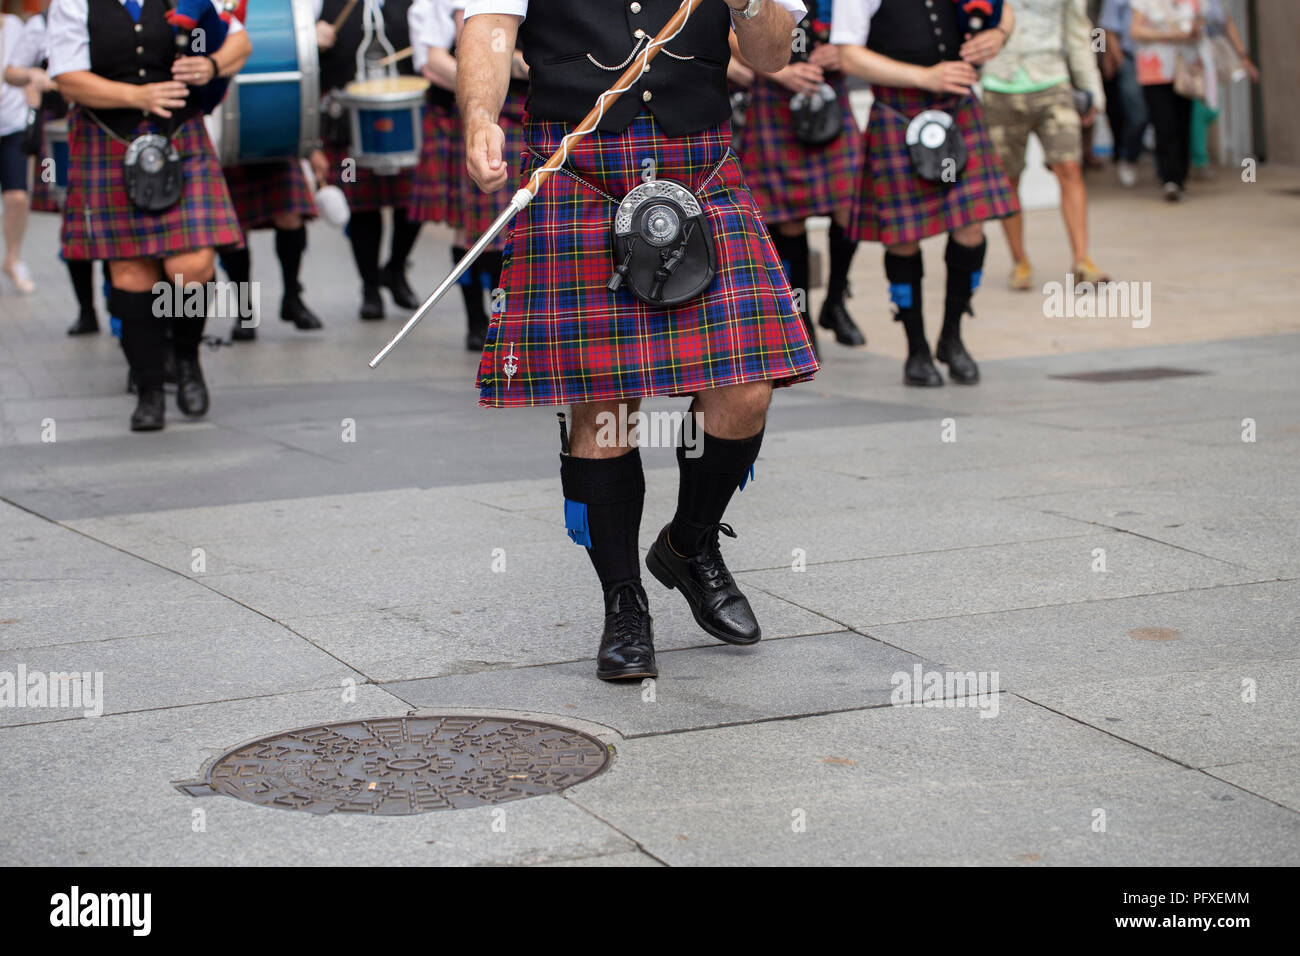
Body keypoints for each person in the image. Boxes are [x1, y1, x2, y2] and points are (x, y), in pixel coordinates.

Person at [460, 0, 819, 682]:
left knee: (744, 391)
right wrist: (481, 115)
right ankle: (623, 600)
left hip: (698, 164)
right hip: (579, 164)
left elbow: (772, 54)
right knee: (605, 406)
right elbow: (489, 27)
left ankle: (688, 543)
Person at [48, 0, 250, 431]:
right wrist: (135, 95)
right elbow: (68, 81)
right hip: (109, 138)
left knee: (192, 265)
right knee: (131, 273)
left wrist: (212, 66)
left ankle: (187, 357)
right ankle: (149, 388)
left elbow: (239, 41)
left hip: (179, 135)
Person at [833, 0, 1019, 387]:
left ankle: (952, 337)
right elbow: (849, 56)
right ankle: (916, 349)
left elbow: (1005, 9)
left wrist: (997, 36)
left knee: (972, 230)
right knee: (903, 239)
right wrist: (925, 77)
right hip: (898, 110)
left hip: (957, 107)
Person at [732, 0, 866, 351]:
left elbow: (871, 19)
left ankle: (835, 300)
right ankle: (800, 320)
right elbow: (728, 26)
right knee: (790, 220)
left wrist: (844, 51)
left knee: (851, 205)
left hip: (829, 91)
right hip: (776, 94)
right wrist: (778, 70)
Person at [981, 0, 1108, 290]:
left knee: (1069, 166)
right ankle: (1019, 260)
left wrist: (1091, 89)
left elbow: (1078, 33)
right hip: (998, 81)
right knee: (1008, 177)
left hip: (1052, 79)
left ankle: (1081, 260)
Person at [316, 0, 424, 320]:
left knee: (415, 203)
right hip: (346, 120)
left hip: (408, 115)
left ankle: (395, 268)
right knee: (363, 209)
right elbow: (296, 46)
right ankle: (370, 287)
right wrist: (310, 36)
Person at [4, 4, 103, 328]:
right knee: (70, 214)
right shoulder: (40, 23)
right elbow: (13, 71)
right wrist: (35, 76)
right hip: (58, 135)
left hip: (115, 126)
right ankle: (86, 310)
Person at [1130, 0, 1201, 201]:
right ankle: (1169, 179)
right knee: (1164, 124)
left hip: (1184, 69)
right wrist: (1172, 35)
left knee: (1182, 123)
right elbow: (1135, 31)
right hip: (1154, 70)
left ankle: (1180, 178)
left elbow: (1203, 26)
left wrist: (1195, 31)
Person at [1188, 0, 1256, 179]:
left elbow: (1228, 24)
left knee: (1212, 108)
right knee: (1199, 110)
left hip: (1215, 58)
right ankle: (1199, 159)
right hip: (1192, 57)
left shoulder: (1214, 3)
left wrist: (1243, 56)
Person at [0, 9, 35, 294]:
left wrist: (33, 114)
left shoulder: (13, 26)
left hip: (12, 124)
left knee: (17, 197)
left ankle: (12, 258)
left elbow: (26, 69)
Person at [1098, 0, 1149, 187]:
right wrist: (1114, 59)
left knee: (1163, 114)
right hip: (1129, 59)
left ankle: (1169, 173)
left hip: (1162, 62)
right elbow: (1106, 29)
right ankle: (1127, 157)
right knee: (1137, 115)